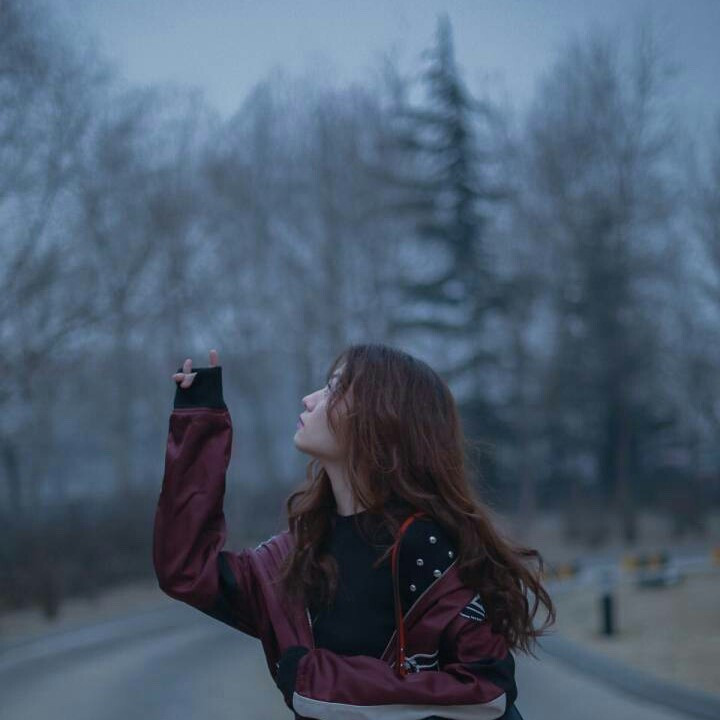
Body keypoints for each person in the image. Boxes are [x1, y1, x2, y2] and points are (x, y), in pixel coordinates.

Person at [154, 343, 554, 719]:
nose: (309, 399)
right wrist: (198, 421)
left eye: (333, 389)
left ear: (382, 418)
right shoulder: (299, 554)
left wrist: (322, 681)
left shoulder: (430, 551)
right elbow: (187, 569)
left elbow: (486, 690)